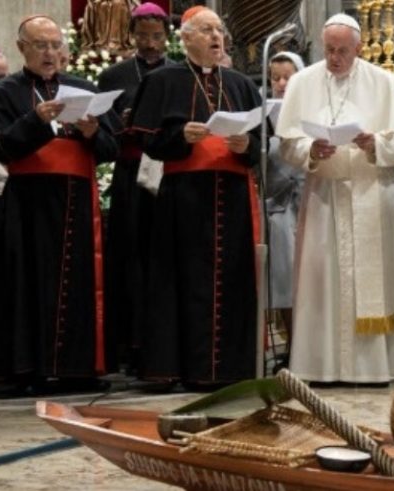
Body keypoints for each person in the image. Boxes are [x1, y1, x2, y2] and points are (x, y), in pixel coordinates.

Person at [0, 16, 118, 387]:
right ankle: (28, 369)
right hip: (27, 202)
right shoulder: (2, 92)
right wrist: (35, 120)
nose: (50, 53)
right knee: (26, 283)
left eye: (56, 45)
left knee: (79, 283)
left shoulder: (83, 88)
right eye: (41, 45)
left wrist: (93, 131)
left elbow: (110, 149)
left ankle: (76, 368)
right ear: (22, 48)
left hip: (77, 203)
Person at [277, 14, 394, 383]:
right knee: (323, 284)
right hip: (324, 197)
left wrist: (375, 145)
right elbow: (288, 144)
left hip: (374, 193)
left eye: (342, 51)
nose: (335, 58)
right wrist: (310, 150)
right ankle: (321, 366)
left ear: (358, 48)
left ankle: (378, 367)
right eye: (329, 50)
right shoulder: (303, 82)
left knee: (378, 283)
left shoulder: (384, 82)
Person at [130, 6, 262, 387]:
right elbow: (147, 141)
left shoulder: (240, 84)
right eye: (206, 30)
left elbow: (261, 143)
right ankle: (184, 367)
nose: (216, 37)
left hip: (234, 200)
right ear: (186, 37)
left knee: (233, 282)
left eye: (219, 30)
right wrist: (180, 138)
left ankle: (232, 368)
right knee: (183, 282)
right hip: (184, 201)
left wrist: (247, 146)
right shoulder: (162, 81)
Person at [97, 1, 170, 373]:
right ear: (132, 36)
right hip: (129, 175)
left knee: (163, 254)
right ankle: (130, 343)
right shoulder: (114, 76)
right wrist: (123, 124)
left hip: (167, 173)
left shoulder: (177, 73)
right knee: (130, 255)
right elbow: (103, 126)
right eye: (143, 36)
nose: (150, 44)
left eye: (156, 36)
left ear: (167, 36)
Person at [263, 51, 304, 344]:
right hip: (278, 207)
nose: (280, 84)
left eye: (287, 77)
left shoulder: (312, 109)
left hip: (310, 204)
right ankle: (291, 343)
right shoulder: (264, 114)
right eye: (275, 78)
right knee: (284, 281)